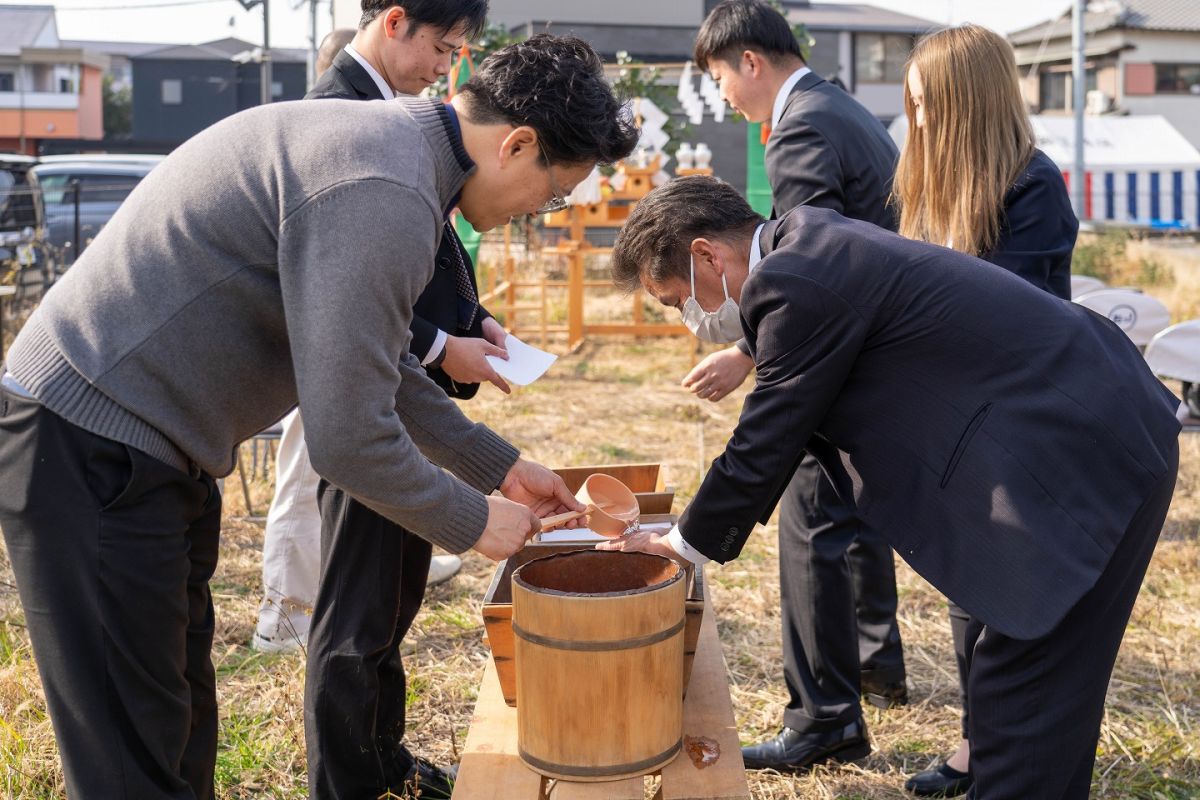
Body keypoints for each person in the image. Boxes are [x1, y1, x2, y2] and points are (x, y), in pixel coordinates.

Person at [0, 33, 636, 800]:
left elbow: (380, 366)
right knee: (130, 753)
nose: (543, 210)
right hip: (90, 440)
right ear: (519, 143)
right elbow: (346, 439)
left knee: (174, 721)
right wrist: (476, 520)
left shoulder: (400, 157)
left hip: (153, 444)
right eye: (555, 191)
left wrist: (498, 467)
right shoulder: (386, 189)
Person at [606, 175, 1179, 800]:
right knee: (1033, 688)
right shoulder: (808, 241)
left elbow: (767, 436)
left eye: (674, 300)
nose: (688, 317)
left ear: (705, 256)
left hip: (1081, 455)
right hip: (1094, 432)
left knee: (1027, 691)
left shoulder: (794, 279)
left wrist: (681, 545)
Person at [689, 0, 906, 772]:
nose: (723, 97)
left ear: (750, 61)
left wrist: (751, 351)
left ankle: (825, 719)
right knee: (854, 507)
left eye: (719, 78)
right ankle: (877, 662)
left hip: (848, 350)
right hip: (879, 341)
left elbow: (810, 272)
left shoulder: (803, 126)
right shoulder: (841, 106)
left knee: (811, 525)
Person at [253, 0, 499, 654]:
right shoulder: (341, 113)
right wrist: (443, 344)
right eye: (443, 51)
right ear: (394, 23)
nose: (445, 69)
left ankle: (317, 622)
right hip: (338, 347)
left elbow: (412, 263)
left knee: (357, 502)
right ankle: (286, 615)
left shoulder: (390, 107)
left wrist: (468, 321)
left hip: (382, 349)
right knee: (316, 480)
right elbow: (346, 276)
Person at [890, 24, 1079, 797]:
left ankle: (1001, 755)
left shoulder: (1032, 187)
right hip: (958, 427)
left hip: (1023, 427)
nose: (919, 119)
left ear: (967, 101)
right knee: (970, 596)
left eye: (928, 102)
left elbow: (1006, 318)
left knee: (1007, 605)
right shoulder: (930, 187)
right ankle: (979, 746)